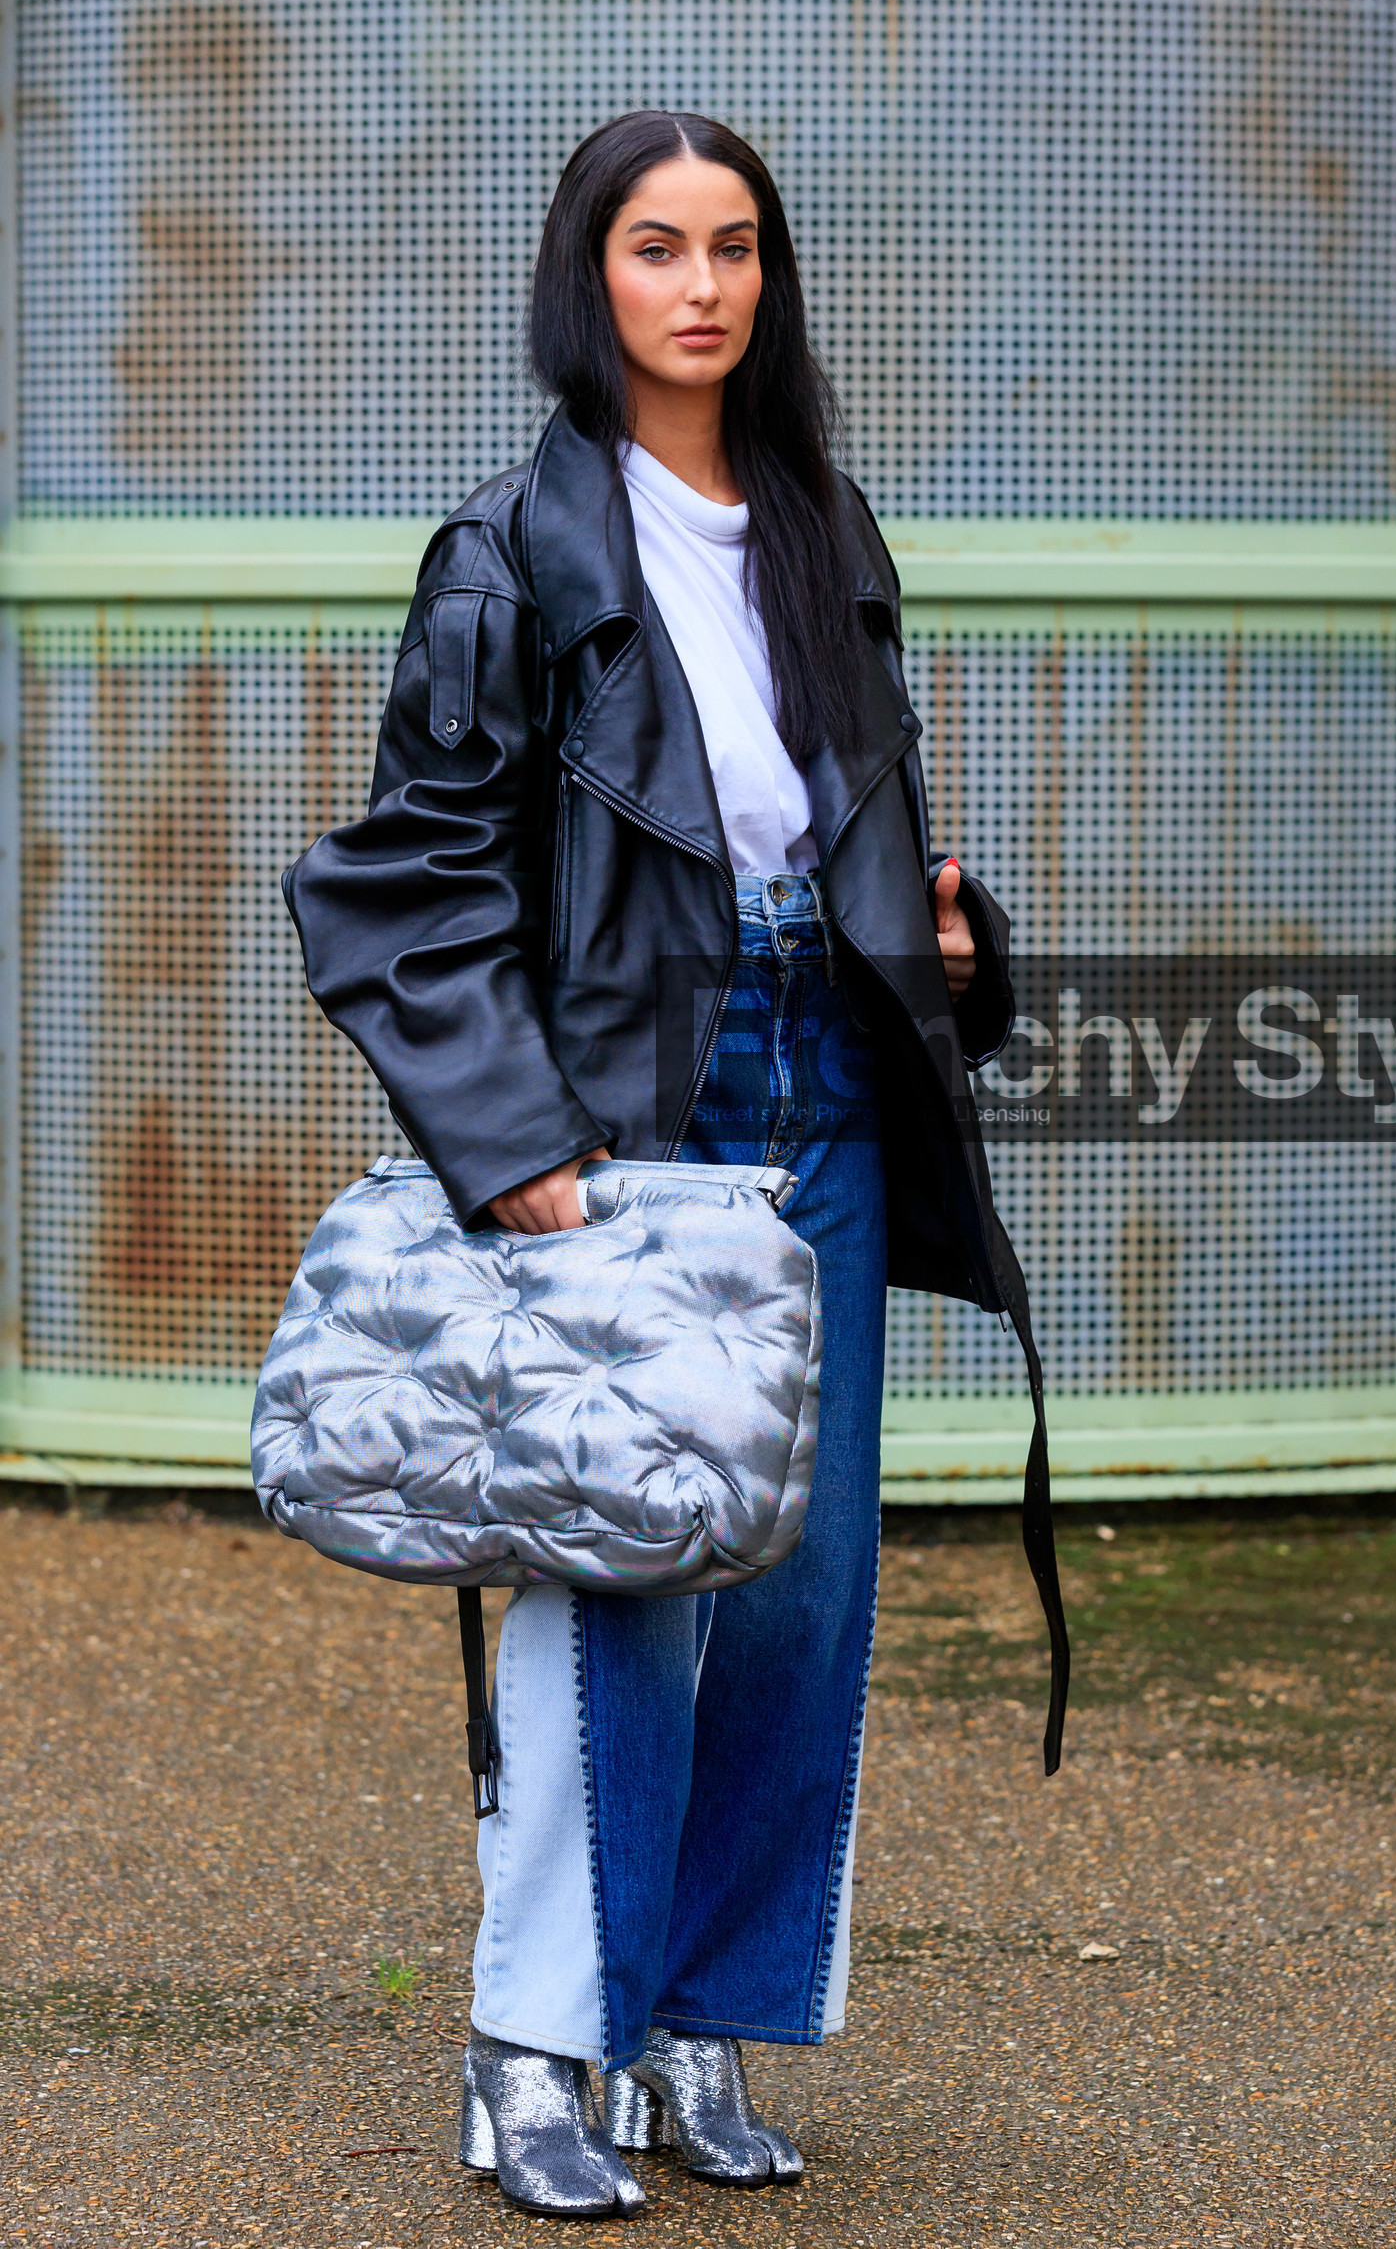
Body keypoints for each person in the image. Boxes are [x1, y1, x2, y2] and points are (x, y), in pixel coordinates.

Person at [286, 108, 1064, 2218]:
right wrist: (515, 1145)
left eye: (733, 248)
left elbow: (828, 835)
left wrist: (939, 940)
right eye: (656, 246)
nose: (701, 286)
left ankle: (700, 2028)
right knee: (610, 1580)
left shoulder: (819, 530)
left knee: (800, 1593)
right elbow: (406, 884)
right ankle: (534, 2049)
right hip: (628, 1111)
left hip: (819, 1079)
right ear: (589, 275)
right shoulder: (513, 551)